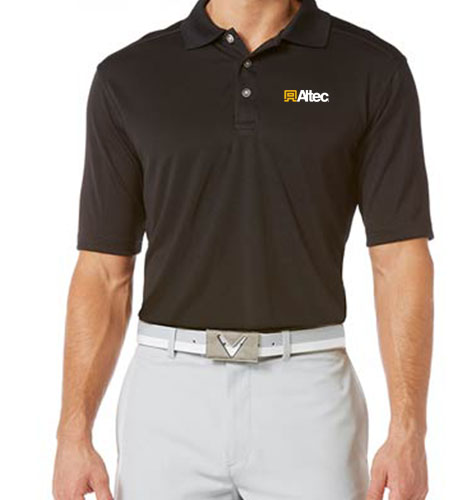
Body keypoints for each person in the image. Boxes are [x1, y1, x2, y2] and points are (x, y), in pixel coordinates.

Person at [53, 0, 434, 499]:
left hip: (309, 395)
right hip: (168, 396)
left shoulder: (371, 69)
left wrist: (409, 431)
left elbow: (400, 259)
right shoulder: (128, 76)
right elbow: (103, 270)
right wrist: (73, 432)